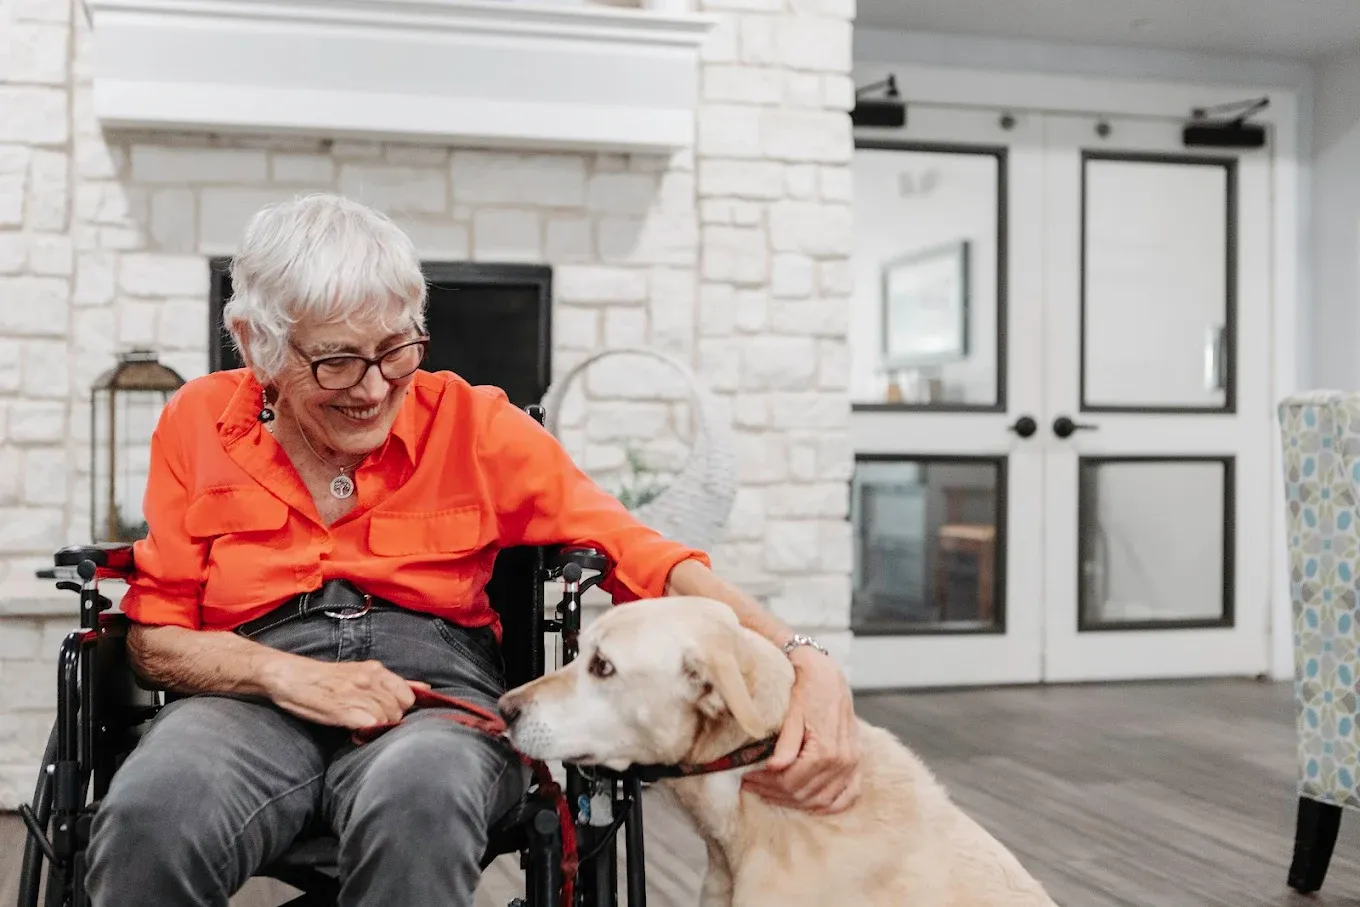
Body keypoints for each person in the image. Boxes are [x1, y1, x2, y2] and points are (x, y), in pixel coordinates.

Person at [84, 193, 860, 907]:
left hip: (430, 699)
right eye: (337, 360)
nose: (376, 386)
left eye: (397, 349)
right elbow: (157, 640)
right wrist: (290, 676)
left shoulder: (475, 424)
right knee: (156, 809)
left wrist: (799, 653)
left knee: (422, 794)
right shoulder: (196, 422)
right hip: (245, 694)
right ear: (256, 343)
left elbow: (643, 553)